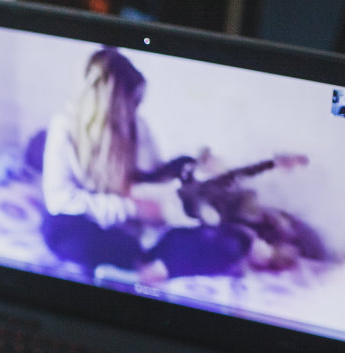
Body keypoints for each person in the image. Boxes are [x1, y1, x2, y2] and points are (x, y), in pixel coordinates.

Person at [40, 47, 251, 285]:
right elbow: (60, 199)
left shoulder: (138, 127)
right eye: (132, 103)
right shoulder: (64, 127)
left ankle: (149, 269)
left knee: (235, 240)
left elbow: (154, 177)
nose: (136, 109)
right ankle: (145, 265)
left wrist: (190, 174)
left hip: (139, 233)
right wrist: (131, 208)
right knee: (61, 232)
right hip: (95, 227)